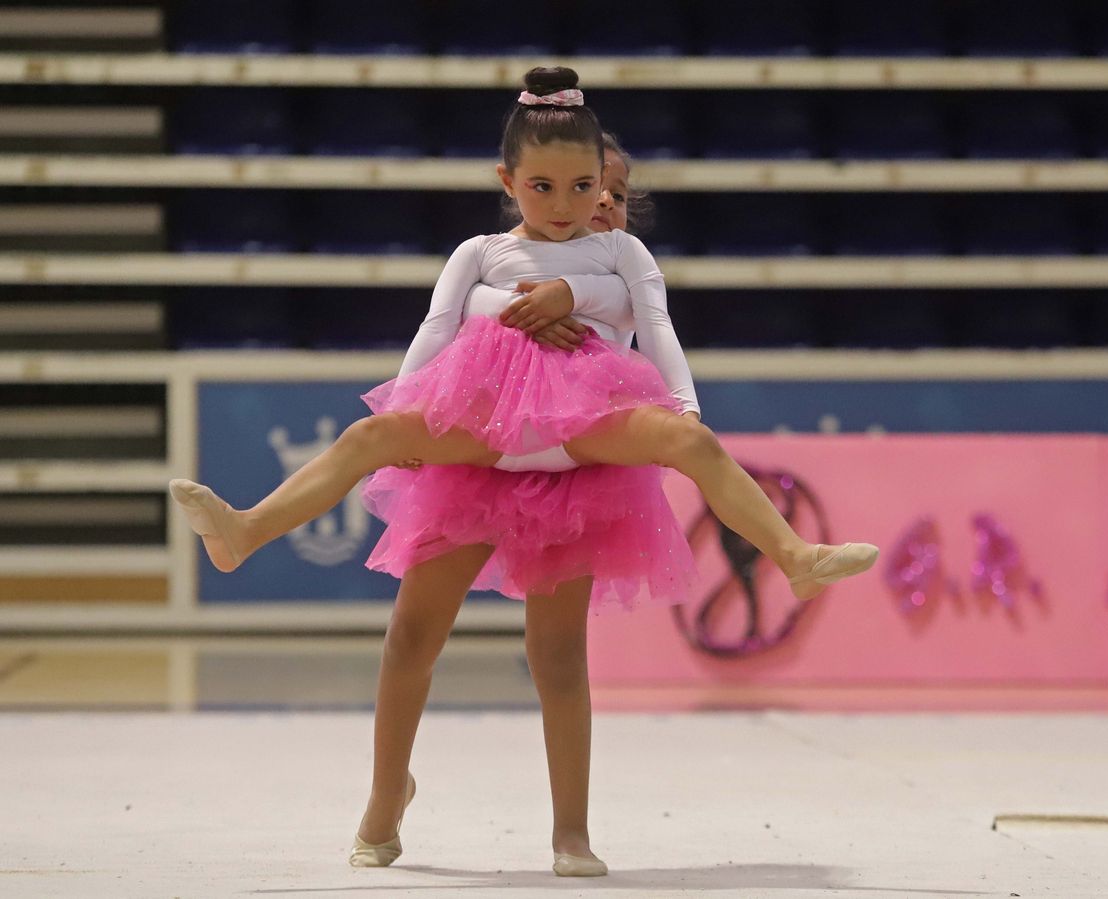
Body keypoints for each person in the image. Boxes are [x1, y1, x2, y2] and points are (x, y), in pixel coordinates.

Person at [168, 66, 878, 875]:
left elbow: (651, 323)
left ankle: (789, 563)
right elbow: (440, 327)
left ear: (613, 194)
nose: (580, 203)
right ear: (510, 184)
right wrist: (415, 404)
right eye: (556, 186)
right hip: (484, 440)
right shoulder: (481, 252)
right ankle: (257, 550)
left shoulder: (619, 257)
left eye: (596, 189)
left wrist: (664, 389)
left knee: (567, 639)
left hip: (576, 444)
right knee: (407, 623)